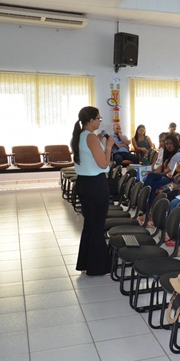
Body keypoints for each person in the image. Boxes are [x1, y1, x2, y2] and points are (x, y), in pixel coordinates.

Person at [70, 106, 114, 276]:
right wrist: (108, 146)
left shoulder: (81, 136)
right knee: (97, 226)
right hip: (95, 185)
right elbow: (103, 165)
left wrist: (100, 141)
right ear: (91, 120)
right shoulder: (91, 138)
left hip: (84, 184)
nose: (99, 121)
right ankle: (98, 267)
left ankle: (85, 263)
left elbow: (92, 158)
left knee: (89, 225)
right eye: (99, 118)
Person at [143, 134, 180, 203]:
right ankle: (144, 200)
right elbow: (162, 166)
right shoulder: (168, 153)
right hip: (165, 175)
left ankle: (146, 202)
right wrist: (154, 173)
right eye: (167, 144)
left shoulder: (178, 154)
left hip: (171, 177)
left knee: (154, 183)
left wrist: (159, 175)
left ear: (175, 143)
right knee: (150, 176)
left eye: (170, 143)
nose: (168, 146)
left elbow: (170, 170)